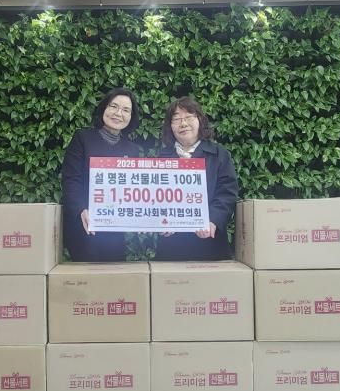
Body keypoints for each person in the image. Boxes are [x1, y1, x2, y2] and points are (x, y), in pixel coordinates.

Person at [154, 96, 239, 261]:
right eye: (176, 119)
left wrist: (213, 220)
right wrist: (160, 221)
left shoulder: (219, 154)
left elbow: (227, 193)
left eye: (188, 117)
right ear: (170, 126)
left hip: (210, 244)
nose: (183, 123)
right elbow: (154, 196)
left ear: (200, 120)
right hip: (172, 246)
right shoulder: (162, 158)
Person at [61, 88, 141, 261]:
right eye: (114, 106)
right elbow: (71, 179)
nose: (118, 113)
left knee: (114, 274)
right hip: (85, 226)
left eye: (126, 110)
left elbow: (135, 189)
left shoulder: (132, 150)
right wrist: (80, 209)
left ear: (131, 117)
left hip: (116, 232)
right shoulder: (82, 138)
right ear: (104, 108)